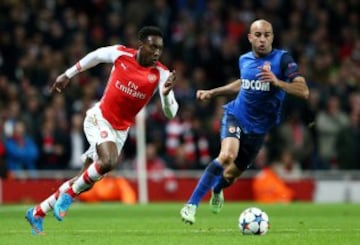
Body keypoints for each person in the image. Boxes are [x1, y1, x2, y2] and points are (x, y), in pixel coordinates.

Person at [25, 26, 179, 235]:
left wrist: (168, 95)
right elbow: (95, 56)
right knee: (108, 161)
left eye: (160, 48)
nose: (157, 53)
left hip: (120, 131)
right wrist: (67, 74)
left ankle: (37, 212)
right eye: (153, 47)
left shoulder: (161, 73)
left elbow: (171, 113)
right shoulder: (121, 54)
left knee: (84, 181)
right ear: (141, 45)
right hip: (99, 118)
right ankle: (69, 195)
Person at [180, 19, 309, 224]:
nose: (262, 40)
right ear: (250, 37)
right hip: (236, 116)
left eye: (267, 35)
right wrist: (213, 93)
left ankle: (218, 189)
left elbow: (303, 91)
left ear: (272, 37)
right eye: (258, 35)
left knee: (230, 176)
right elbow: (243, 83)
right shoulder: (244, 60)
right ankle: (191, 205)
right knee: (226, 156)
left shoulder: (283, 60)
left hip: (258, 131)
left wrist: (278, 82)